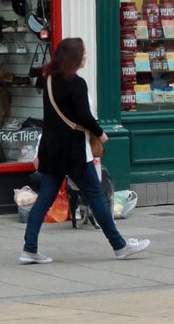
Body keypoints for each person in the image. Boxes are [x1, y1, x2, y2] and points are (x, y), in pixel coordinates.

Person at [20, 36, 149, 265]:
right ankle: (119, 245)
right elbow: (84, 116)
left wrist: (41, 150)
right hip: (74, 152)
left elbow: (49, 120)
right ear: (74, 58)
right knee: (96, 196)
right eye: (84, 52)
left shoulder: (49, 80)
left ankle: (29, 248)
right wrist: (100, 133)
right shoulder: (77, 84)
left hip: (53, 149)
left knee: (44, 200)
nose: (86, 56)